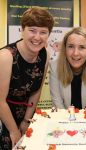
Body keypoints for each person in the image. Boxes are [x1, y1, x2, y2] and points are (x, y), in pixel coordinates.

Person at [0, 6, 54, 149]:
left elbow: (36, 91)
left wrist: (26, 121)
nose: (37, 37)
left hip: (26, 115)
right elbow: (0, 101)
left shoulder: (45, 55)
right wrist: (13, 130)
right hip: (3, 117)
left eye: (43, 32)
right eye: (32, 30)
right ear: (22, 30)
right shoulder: (6, 56)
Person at [49, 27, 86, 110]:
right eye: (71, 46)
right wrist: (67, 122)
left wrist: (81, 122)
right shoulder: (54, 67)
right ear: (65, 49)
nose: (75, 53)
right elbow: (57, 102)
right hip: (63, 118)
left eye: (82, 47)